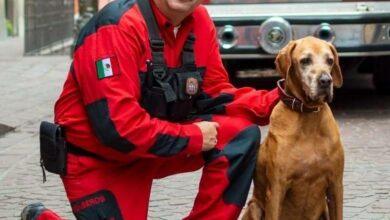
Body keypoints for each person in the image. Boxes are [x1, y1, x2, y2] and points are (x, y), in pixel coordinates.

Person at [22, 0, 279, 219]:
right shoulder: (117, 25)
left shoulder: (199, 20)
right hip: (99, 159)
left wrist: (282, 98)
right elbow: (117, 129)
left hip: (152, 147)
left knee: (240, 135)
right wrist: (195, 137)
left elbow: (216, 93)